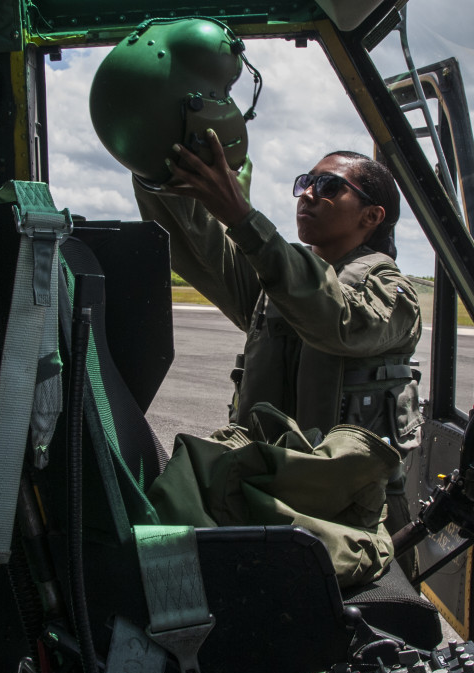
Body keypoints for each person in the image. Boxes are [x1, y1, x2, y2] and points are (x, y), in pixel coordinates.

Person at [133, 129, 423, 452]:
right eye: (306, 182)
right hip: (263, 475)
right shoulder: (274, 280)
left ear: (371, 215)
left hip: (339, 484)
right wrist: (153, 162)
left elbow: (337, 320)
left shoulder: (392, 293)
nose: (308, 194)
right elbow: (198, 240)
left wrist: (242, 217)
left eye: (328, 186)